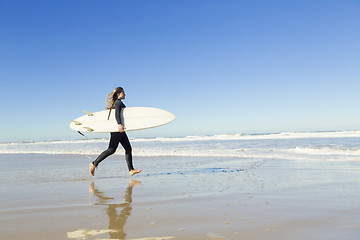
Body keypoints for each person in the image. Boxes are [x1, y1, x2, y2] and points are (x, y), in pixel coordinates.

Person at [89, 87, 142, 177]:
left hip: (119, 129)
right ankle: (94, 163)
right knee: (111, 149)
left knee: (127, 148)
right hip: (117, 129)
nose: (125, 95)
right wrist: (119, 124)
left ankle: (131, 170)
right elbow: (117, 113)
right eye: (123, 93)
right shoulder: (118, 102)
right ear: (118, 94)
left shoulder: (116, 103)